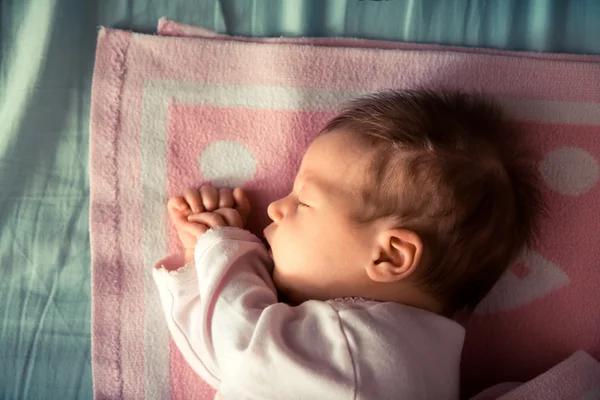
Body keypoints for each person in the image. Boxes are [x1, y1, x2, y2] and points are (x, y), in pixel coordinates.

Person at [153, 89, 546, 399]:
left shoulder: (353, 348)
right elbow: (235, 362)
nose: (274, 209)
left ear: (390, 254)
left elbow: (236, 346)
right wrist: (197, 259)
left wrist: (221, 245)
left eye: (304, 202)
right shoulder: (425, 353)